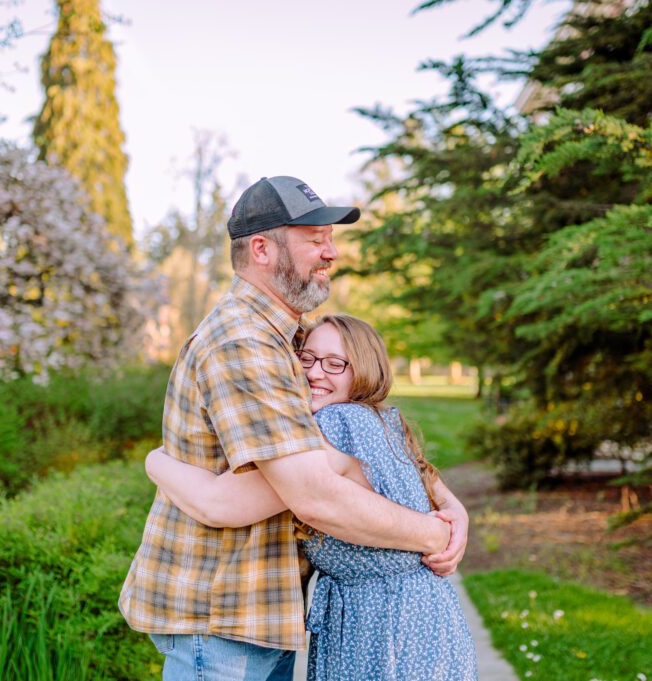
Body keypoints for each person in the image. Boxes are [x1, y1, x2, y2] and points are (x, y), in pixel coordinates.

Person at [118, 176, 469, 681]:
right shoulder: (245, 342)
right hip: (223, 622)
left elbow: (378, 441)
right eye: (314, 238)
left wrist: (452, 508)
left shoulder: (287, 341)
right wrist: (434, 534)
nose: (331, 252)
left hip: (262, 616)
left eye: (330, 238)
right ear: (261, 248)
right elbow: (314, 495)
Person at [147, 314, 478, 680]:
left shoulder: (334, 424)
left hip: (384, 627)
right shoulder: (383, 420)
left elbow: (221, 503)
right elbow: (429, 483)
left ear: (366, 369)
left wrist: (155, 461)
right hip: (423, 616)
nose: (315, 373)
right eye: (306, 358)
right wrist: (454, 513)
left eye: (335, 364)